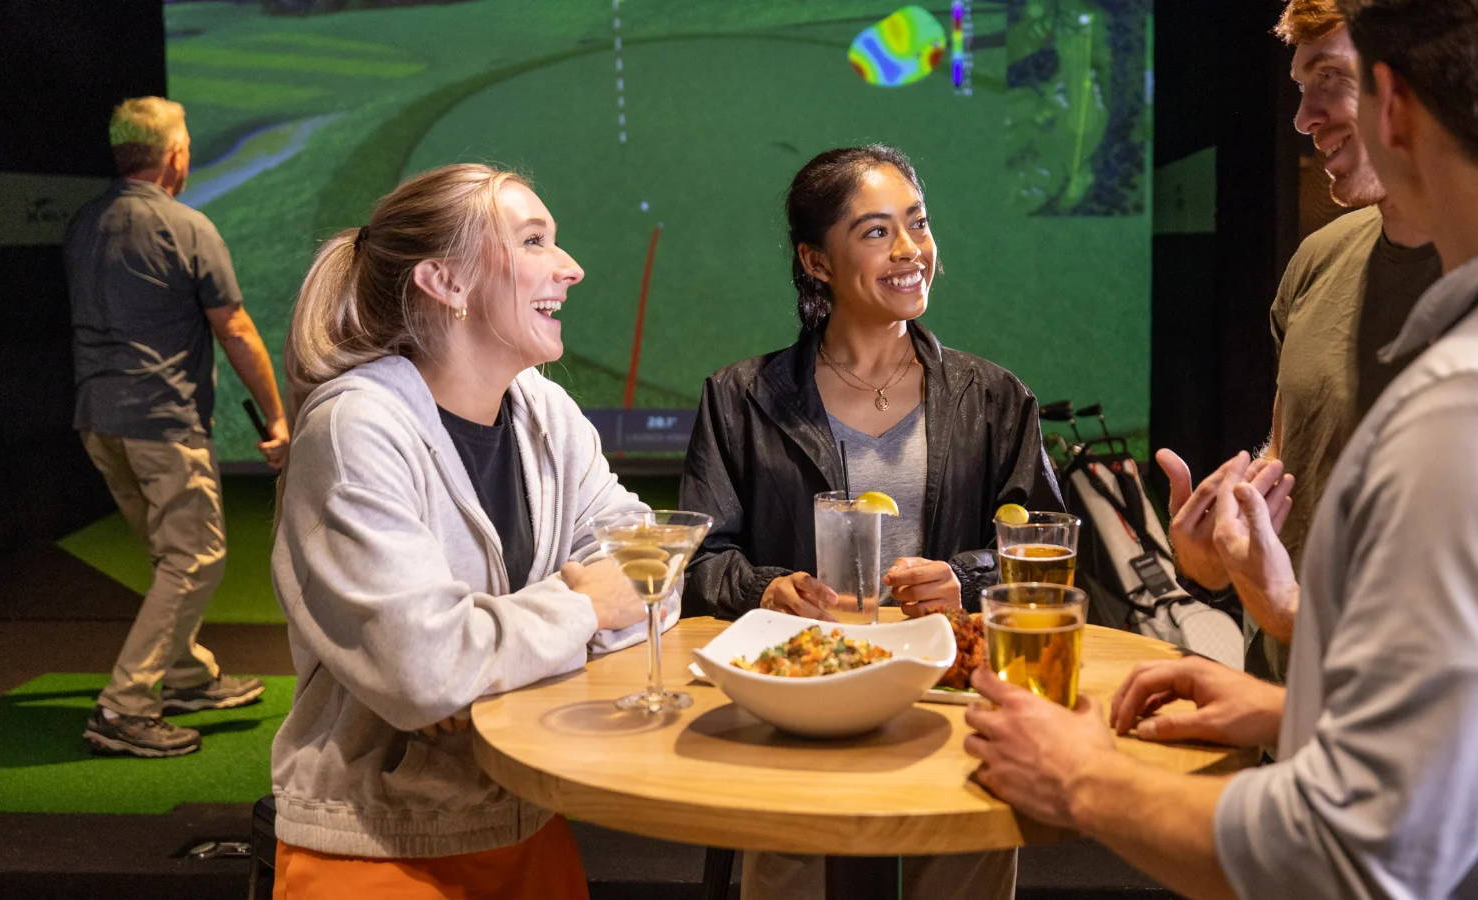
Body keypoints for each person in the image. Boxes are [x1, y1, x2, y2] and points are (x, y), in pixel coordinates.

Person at [963, 2, 1478, 898]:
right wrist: (1285, 708)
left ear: (1395, 105)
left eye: (1331, 85)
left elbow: (1353, 857)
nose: (1306, 120)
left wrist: (1080, 777)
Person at [269, 163, 662, 898]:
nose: (571, 268)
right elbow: (426, 671)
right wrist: (583, 609)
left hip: (529, 819)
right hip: (376, 845)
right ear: (445, 283)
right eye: (534, 241)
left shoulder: (547, 413)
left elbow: (653, 573)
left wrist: (484, 677)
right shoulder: (355, 427)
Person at [681, 145, 1062, 900]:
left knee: (967, 861)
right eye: (876, 231)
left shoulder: (994, 398)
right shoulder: (740, 397)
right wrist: (769, 588)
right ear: (815, 261)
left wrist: (965, 577)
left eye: (916, 224)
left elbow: (1047, 548)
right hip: (801, 699)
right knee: (786, 871)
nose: (911, 250)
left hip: (949, 696)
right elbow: (699, 561)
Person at [1154, 0, 1445, 680]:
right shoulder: (1320, 258)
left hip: (1398, 720)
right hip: (1275, 698)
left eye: (1330, 79)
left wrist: (1287, 607)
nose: (1303, 118)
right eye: (1300, 87)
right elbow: (1289, 455)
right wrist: (1224, 546)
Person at [69, 96, 287, 758]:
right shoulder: (186, 227)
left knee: (172, 557)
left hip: (99, 423)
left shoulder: (85, 222)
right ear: (175, 157)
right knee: (194, 559)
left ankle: (188, 676)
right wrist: (278, 416)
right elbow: (237, 331)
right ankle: (124, 708)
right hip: (162, 423)